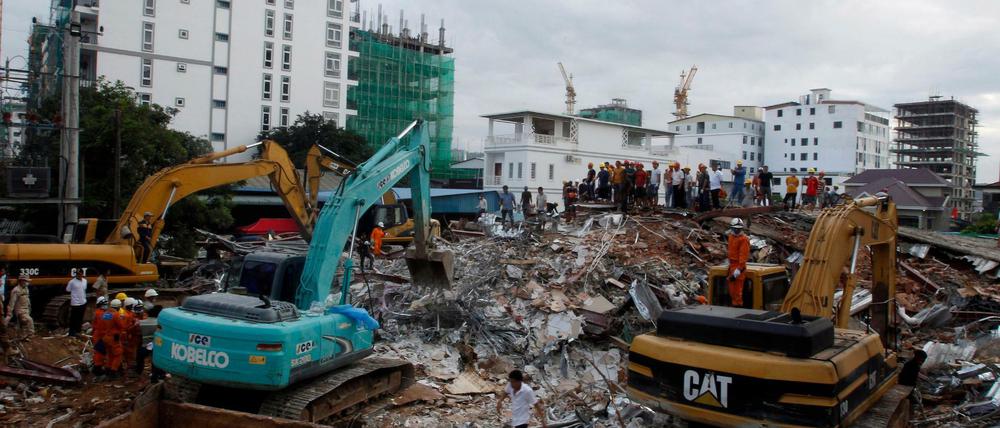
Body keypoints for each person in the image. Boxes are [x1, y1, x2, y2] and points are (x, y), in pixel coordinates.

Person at [727, 218, 751, 307]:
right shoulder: (731, 237)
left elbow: (743, 258)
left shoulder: (744, 239)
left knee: (737, 292)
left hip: (738, 267)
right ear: (732, 228)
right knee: (732, 291)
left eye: (738, 229)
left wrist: (737, 272)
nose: (737, 230)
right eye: (735, 228)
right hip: (732, 265)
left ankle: (738, 307)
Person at [6, 275, 34, 340]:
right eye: (26, 281)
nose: (27, 283)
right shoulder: (16, 290)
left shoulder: (26, 288)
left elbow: (27, 298)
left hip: (26, 308)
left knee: (23, 324)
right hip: (20, 309)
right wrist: (9, 312)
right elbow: (12, 302)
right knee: (29, 320)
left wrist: (29, 306)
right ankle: (30, 334)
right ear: (21, 281)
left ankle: (22, 336)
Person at [66, 269, 88, 337]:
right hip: (75, 303)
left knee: (80, 318)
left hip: (83, 302)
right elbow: (68, 289)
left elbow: (84, 289)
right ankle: (72, 333)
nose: (78, 275)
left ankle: (78, 331)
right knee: (73, 319)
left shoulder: (85, 281)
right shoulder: (72, 282)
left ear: (82, 274)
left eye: (79, 274)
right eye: (77, 274)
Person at [91, 296, 109, 376]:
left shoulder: (97, 312)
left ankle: (98, 367)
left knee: (99, 353)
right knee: (100, 353)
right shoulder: (102, 314)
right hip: (101, 336)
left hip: (98, 335)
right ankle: (97, 369)